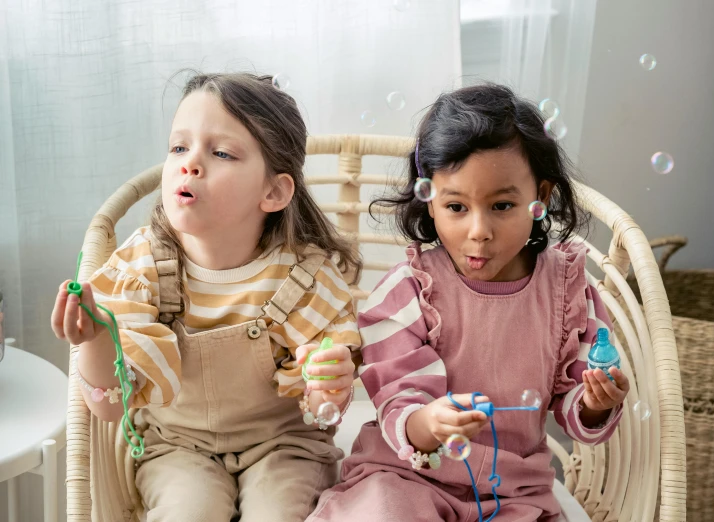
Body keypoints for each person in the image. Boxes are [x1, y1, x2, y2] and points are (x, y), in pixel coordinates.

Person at [308, 83, 629, 522]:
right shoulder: (410, 290)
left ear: (541, 198)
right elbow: (399, 401)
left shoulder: (567, 289)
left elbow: (575, 401)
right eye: (457, 207)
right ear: (430, 203)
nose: (479, 230)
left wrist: (595, 401)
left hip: (513, 493)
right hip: (408, 475)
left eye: (501, 205)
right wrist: (428, 425)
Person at [51, 72, 360, 522]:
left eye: (220, 153)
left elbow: (323, 415)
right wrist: (96, 339)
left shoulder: (306, 280)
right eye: (179, 147)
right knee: (187, 513)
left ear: (273, 191)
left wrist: (327, 383)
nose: (189, 164)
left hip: (285, 445)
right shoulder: (139, 269)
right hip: (176, 445)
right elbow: (110, 406)